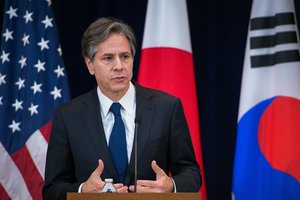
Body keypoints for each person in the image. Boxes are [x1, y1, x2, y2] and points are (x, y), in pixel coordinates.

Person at [43, 17, 201, 200]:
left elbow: (191, 173)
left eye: (125, 57)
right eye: (108, 58)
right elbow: (52, 190)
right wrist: (83, 190)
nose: (119, 66)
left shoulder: (166, 107)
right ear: (90, 65)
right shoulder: (68, 116)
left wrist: (171, 185)